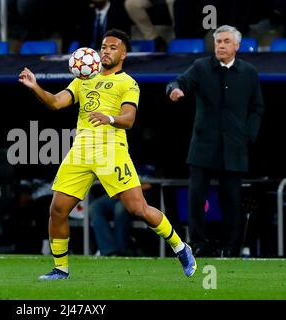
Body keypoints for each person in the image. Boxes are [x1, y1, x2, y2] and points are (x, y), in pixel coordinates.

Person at [19, 28, 196, 280]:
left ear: (123, 53)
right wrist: (35, 86)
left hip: (111, 150)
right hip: (81, 150)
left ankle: (180, 247)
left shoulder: (128, 83)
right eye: (103, 46)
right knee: (57, 209)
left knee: (138, 209)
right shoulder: (83, 79)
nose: (106, 50)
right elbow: (56, 102)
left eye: (113, 47)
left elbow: (129, 119)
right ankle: (61, 269)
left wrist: (109, 117)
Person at [166, 25, 264, 257]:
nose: (220, 45)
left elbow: (257, 108)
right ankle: (199, 244)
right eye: (218, 41)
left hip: (234, 147)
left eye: (226, 41)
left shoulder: (249, 72)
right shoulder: (201, 67)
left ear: (236, 46)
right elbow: (179, 81)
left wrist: (247, 134)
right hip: (203, 146)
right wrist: (175, 89)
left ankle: (231, 247)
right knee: (196, 197)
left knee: (231, 200)